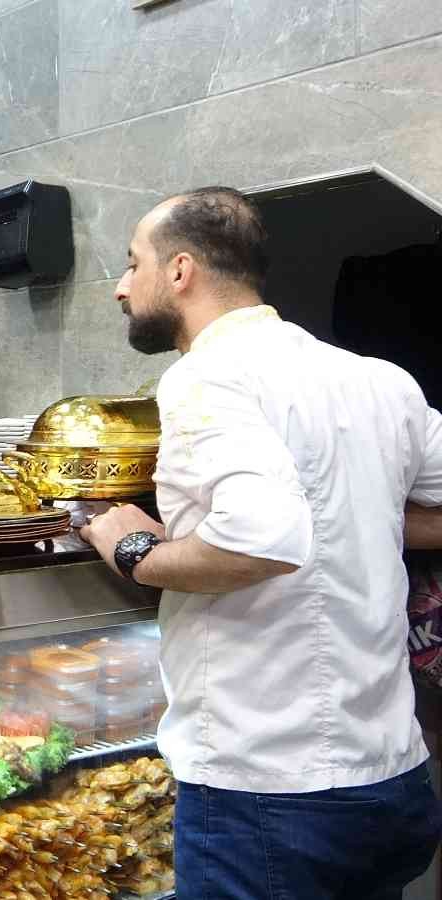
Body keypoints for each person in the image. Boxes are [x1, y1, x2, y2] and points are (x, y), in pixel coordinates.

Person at [79, 187, 442, 900]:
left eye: (131, 264)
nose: (122, 288)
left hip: (266, 799)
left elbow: (260, 542)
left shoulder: (203, 378)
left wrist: (134, 549)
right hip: (391, 781)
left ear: (180, 271)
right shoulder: (376, 380)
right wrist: (356, 508)